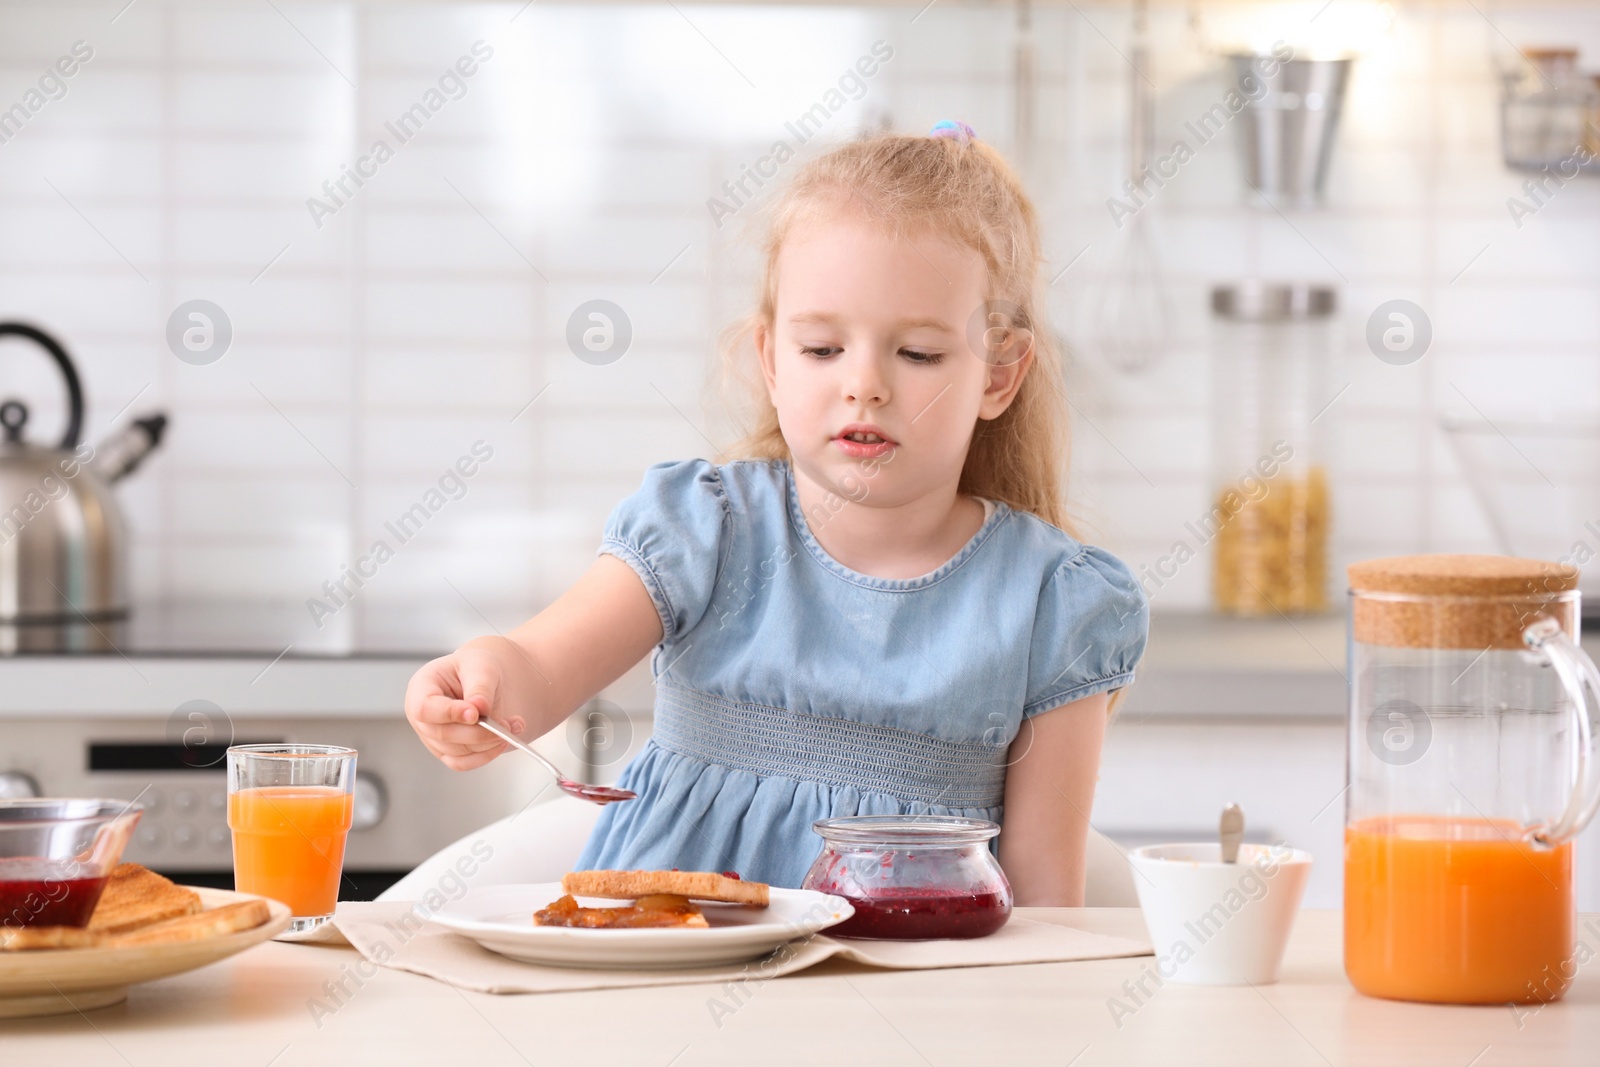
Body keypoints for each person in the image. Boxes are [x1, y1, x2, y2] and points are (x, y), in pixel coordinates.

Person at [405, 120, 1148, 905]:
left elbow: (1044, 910)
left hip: (915, 1010)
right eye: (822, 349)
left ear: (999, 374)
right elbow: (540, 672)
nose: (864, 384)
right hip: (672, 974)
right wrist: (484, 681)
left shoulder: (1053, 603)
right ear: (769, 359)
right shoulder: (707, 529)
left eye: (918, 353)